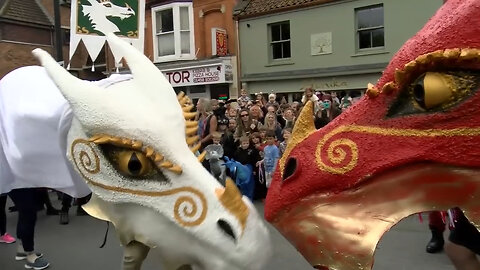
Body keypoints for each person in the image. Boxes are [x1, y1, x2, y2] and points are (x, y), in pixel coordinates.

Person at [9, 188, 49, 269]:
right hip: (19, 182)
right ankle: (30, 255)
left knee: (24, 212)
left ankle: (22, 250)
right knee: (28, 214)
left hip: (16, 182)